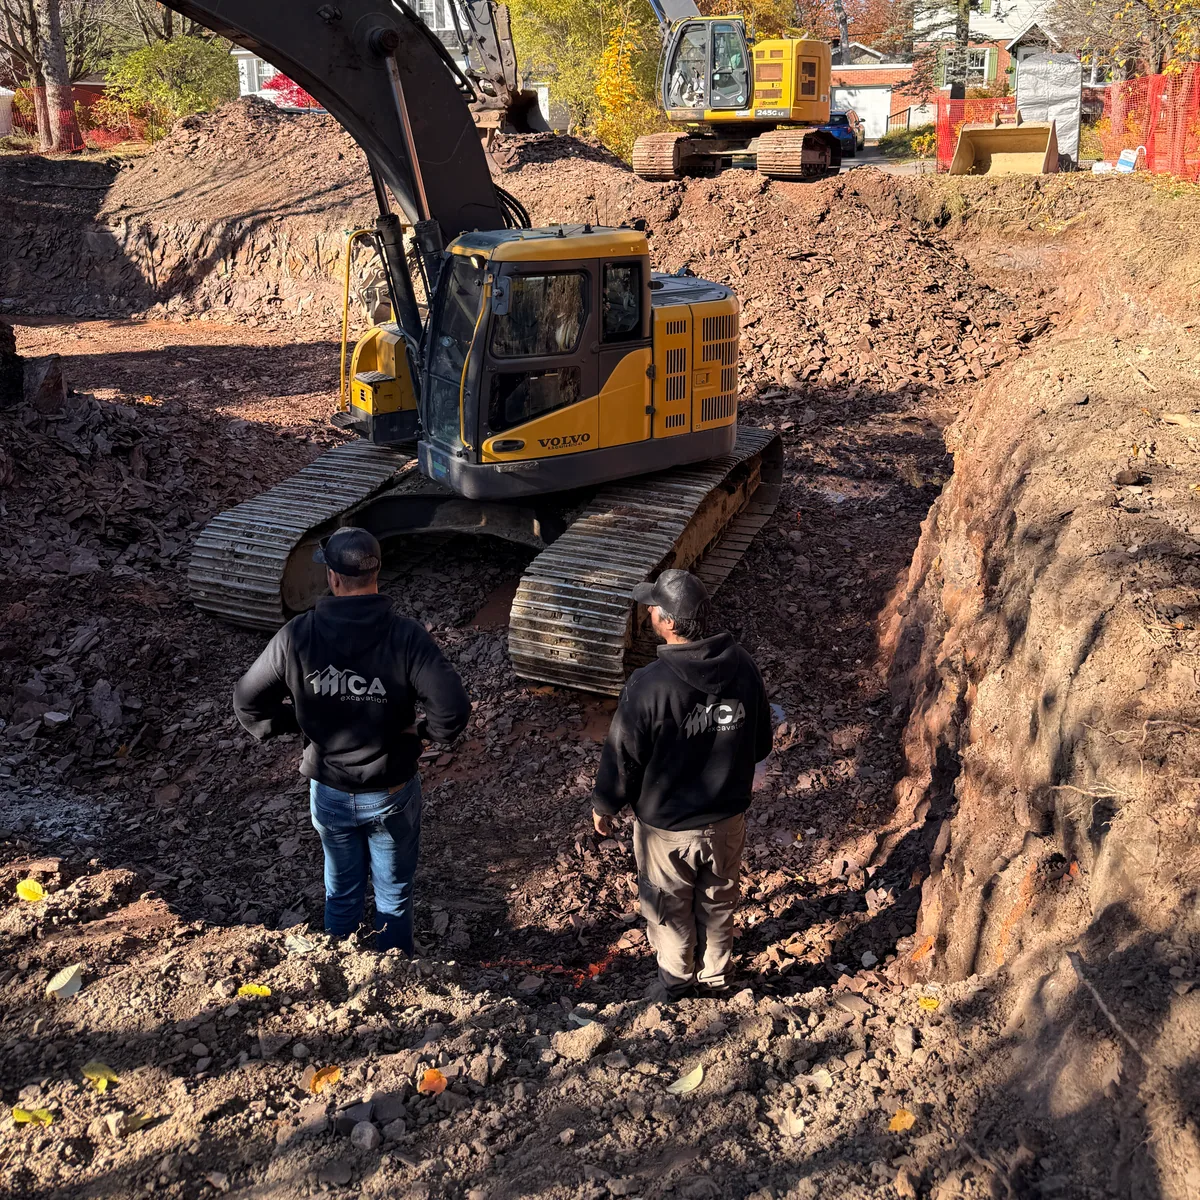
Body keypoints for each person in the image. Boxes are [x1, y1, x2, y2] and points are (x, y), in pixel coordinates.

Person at [233, 527, 470, 954]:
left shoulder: (297, 635)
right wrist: (420, 734)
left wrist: (300, 726)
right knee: (393, 896)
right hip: (391, 791)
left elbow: (248, 700)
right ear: (377, 572)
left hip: (331, 790)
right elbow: (451, 710)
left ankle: (338, 976)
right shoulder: (406, 636)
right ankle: (396, 978)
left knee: (341, 892)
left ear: (333, 578)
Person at [591, 569, 772, 1000]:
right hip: (727, 820)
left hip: (666, 830)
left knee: (668, 907)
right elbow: (761, 742)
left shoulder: (649, 685)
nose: (649, 611)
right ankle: (715, 979)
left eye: (653, 606)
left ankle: (676, 985)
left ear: (669, 622)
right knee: (719, 900)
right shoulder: (743, 666)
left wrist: (605, 805)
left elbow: (623, 757)